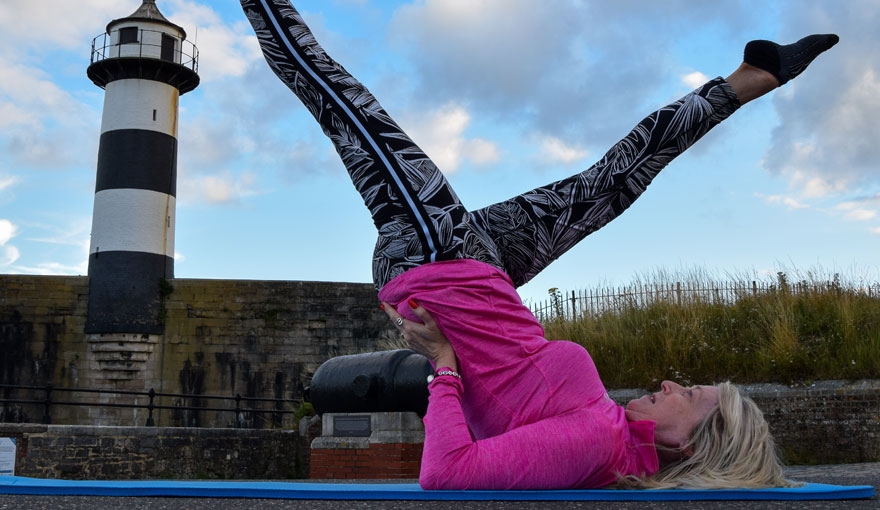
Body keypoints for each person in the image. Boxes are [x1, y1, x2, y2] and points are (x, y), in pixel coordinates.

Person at [240, 0, 838, 490]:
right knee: (612, 184)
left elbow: (447, 474)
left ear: (687, 441)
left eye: (691, 396)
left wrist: (443, 368)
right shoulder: (616, 445)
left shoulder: (599, 441)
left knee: (342, 101)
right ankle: (749, 80)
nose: (674, 383)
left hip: (437, 261)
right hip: (483, 267)